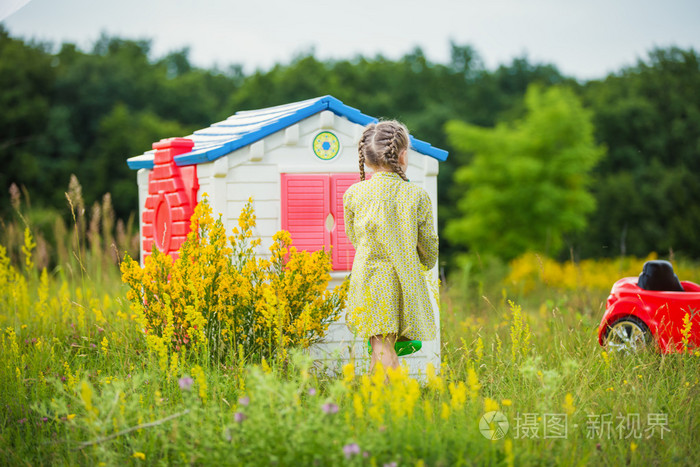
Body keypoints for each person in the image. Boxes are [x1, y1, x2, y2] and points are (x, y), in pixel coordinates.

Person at [343, 120, 439, 376]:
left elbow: (354, 238)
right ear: (403, 155)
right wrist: (419, 260)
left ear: (366, 157)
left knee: (380, 345)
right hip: (404, 282)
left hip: (369, 279)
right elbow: (429, 247)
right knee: (383, 346)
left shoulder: (354, 194)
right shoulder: (416, 195)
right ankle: (395, 404)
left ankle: (381, 406)